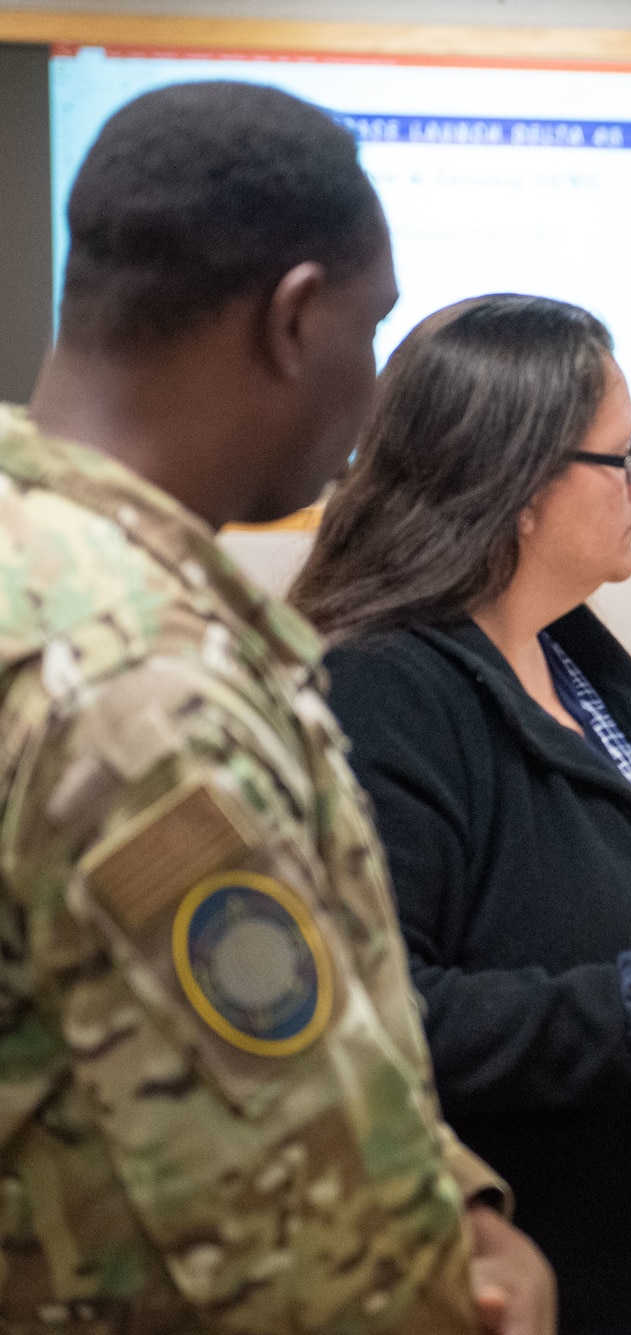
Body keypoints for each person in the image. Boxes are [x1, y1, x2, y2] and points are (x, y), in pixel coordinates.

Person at [0, 82, 552, 1332]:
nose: (373, 393)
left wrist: (453, 1197)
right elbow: (294, 1225)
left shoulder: (40, 555)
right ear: (295, 319)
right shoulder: (138, 691)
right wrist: (451, 1274)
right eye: (372, 330)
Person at [290, 294, 631, 1335]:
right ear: (519, 483)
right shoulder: (378, 694)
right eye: (624, 458)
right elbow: (369, 1018)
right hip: (524, 1262)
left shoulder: (580, 666)